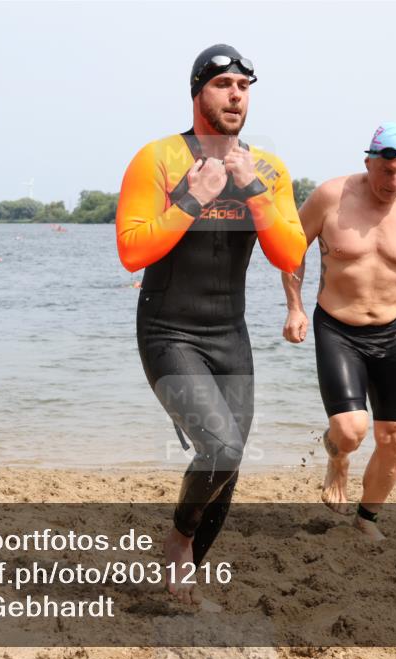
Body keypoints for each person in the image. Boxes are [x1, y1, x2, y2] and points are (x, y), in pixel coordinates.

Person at [116, 44, 306, 603]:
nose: (236, 96)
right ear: (198, 91)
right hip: (168, 329)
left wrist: (252, 190)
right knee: (220, 447)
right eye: (224, 84)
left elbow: (290, 253)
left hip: (231, 335)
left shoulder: (268, 170)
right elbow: (132, 251)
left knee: (230, 464)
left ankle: (183, 577)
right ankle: (178, 544)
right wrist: (193, 200)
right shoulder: (158, 158)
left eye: (244, 86)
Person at [281, 122, 396, 539]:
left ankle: (367, 519)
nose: (395, 182)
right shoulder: (331, 196)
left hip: (395, 330)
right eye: (387, 172)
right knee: (350, 430)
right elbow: (292, 251)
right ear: (368, 163)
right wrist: (294, 308)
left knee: (394, 437)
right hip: (338, 328)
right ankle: (338, 456)